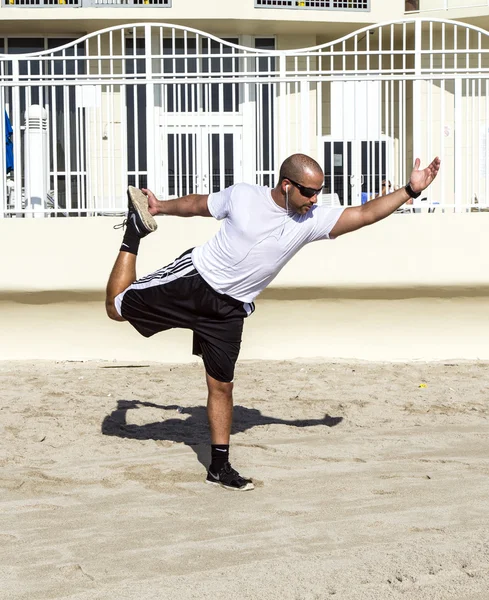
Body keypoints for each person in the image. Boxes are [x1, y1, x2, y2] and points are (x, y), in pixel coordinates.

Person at [105, 153, 440, 491]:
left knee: (222, 385)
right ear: (286, 185)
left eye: (318, 192)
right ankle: (133, 234)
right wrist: (160, 207)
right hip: (193, 281)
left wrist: (409, 190)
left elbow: (365, 214)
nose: (314, 200)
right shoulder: (244, 196)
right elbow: (197, 205)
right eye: (308, 192)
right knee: (116, 309)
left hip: (229, 311)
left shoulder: (310, 220)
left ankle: (219, 468)